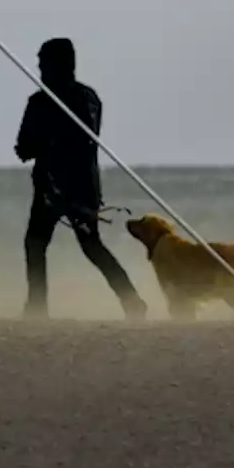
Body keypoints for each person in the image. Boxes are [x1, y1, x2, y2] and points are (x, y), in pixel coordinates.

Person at [14, 37, 147, 320]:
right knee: (36, 243)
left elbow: (85, 139)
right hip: (51, 188)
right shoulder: (43, 101)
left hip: (76, 190)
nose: (39, 67)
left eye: (43, 62)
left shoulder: (82, 100)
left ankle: (132, 301)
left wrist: (48, 141)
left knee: (90, 246)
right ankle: (37, 307)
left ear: (59, 64)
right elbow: (23, 147)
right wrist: (40, 144)